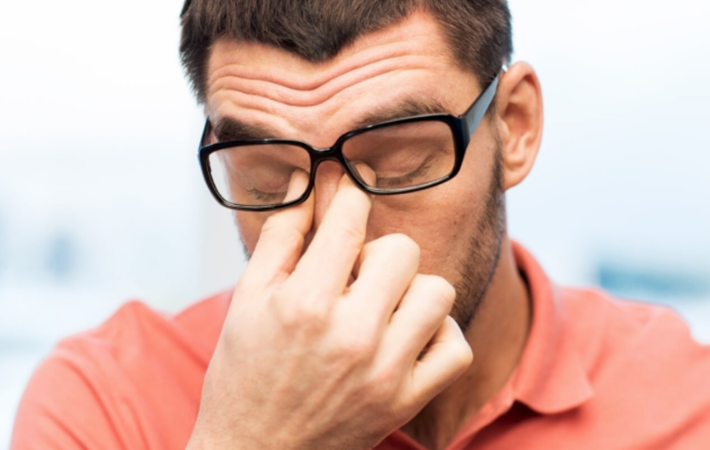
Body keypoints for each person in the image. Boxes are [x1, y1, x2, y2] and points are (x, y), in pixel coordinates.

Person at [11, 1, 710, 449]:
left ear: (515, 126)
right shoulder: (105, 403)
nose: (331, 230)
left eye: (398, 161)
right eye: (266, 173)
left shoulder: (686, 404)